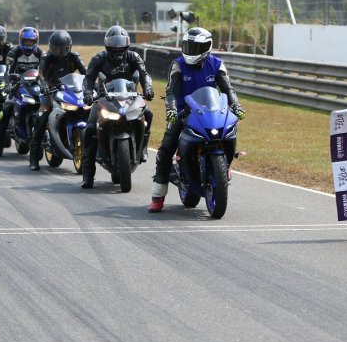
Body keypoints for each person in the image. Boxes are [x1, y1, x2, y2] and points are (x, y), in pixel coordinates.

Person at [147, 27, 244, 213]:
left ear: (206, 47)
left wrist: (236, 105)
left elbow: (228, 89)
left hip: (210, 113)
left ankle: (224, 167)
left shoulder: (217, 64)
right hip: (183, 114)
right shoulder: (178, 65)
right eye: (188, 46)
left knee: (229, 133)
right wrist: (171, 110)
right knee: (166, 150)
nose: (190, 50)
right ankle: (157, 196)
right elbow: (171, 92)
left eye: (195, 47)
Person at [80, 25, 154, 188]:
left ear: (127, 46)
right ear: (108, 47)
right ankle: (87, 176)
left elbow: (144, 74)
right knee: (90, 130)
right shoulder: (99, 58)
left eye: (121, 47)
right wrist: (87, 93)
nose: (118, 50)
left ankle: (142, 148)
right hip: (103, 99)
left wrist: (148, 88)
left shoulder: (134, 57)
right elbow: (88, 78)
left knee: (148, 114)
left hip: (130, 99)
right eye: (114, 47)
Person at [28, 30, 87, 170]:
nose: (60, 51)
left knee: (90, 111)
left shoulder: (74, 57)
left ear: (69, 46)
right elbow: (41, 74)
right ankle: (34, 159)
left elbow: (86, 73)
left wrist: (93, 84)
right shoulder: (46, 57)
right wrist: (43, 86)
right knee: (41, 120)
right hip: (50, 92)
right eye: (56, 48)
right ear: (51, 46)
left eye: (63, 48)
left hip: (70, 92)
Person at [0, 27, 43, 157]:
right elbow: (7, 71)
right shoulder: (13, 52)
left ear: (36, 41)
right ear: (21, 41)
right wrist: (8, 84)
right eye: (26, 41)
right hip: (16, 86)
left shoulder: (40, 53)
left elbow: (45, 72)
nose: (28, 44)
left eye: (31, 42)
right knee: (6, 110)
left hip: (34, 86)